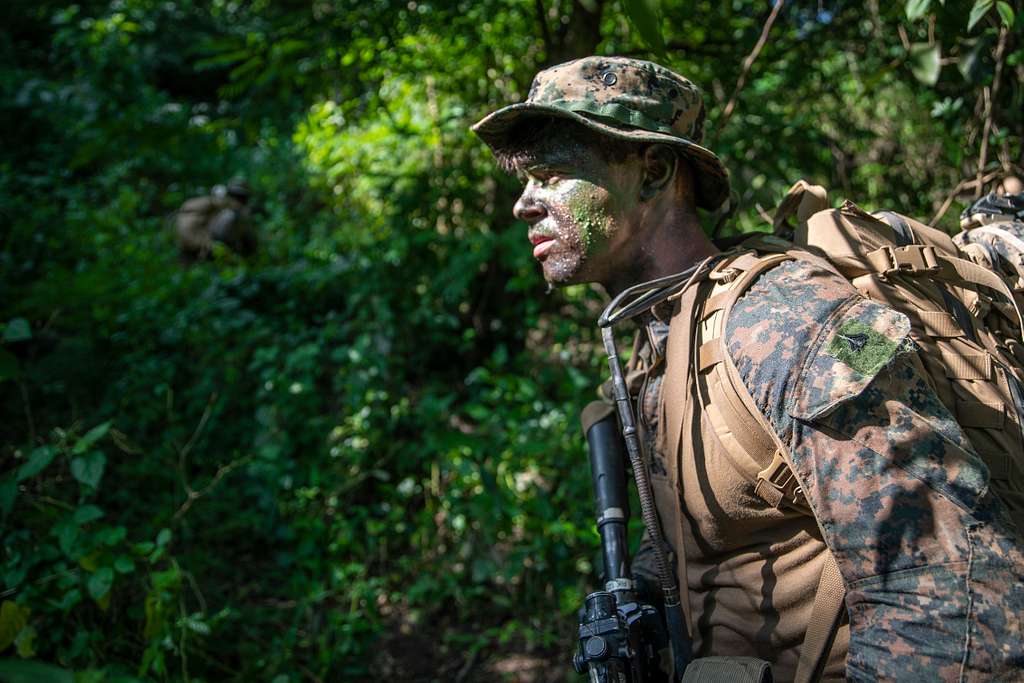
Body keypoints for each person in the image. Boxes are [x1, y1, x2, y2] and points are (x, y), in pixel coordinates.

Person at [473, 56, 1024, 681]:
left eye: (551, 175)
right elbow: (717, 535)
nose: (524, 204)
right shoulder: (661, 342)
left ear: (652, 171)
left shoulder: (786, 322)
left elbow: (955, 599)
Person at [174, 177, 257, 263]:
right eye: (236, 196)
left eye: (241, 198)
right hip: (206, 253)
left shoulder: (227, 210)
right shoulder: (220, 209)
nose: (238, 202)